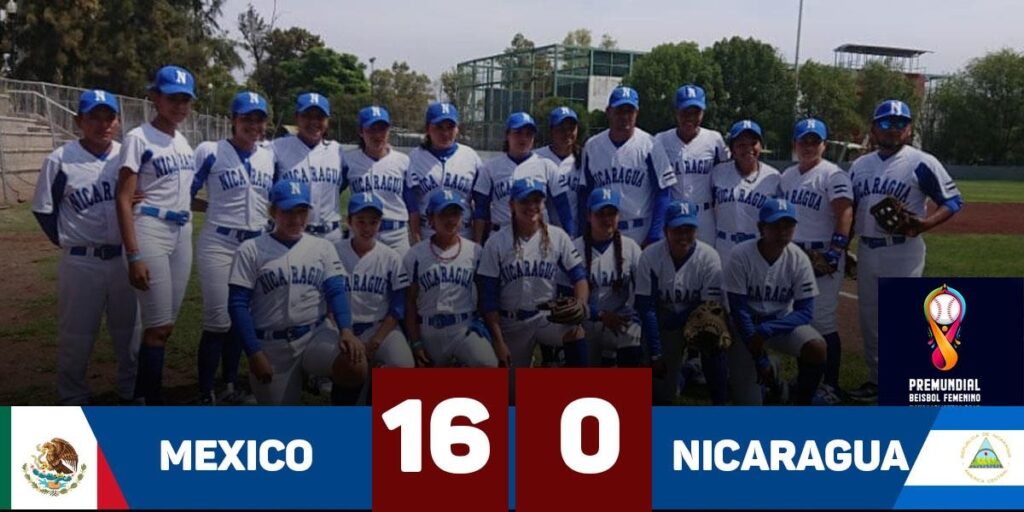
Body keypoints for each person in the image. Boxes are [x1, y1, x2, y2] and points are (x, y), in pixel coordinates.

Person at [847, 99, 963, 403]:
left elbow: (952, 201)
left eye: (901, 123)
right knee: (869, 319)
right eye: (886, 122)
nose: (893, 129)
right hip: (868, 250)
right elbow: (851, 209)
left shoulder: (921, 161)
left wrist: (923, 224)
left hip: (904, 250)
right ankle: (877, 381)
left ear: (909, 129)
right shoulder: (859, 165)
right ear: (873, 128)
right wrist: (842, 248)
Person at [32, 89, 140, 405]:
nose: (102, 124)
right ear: (80, 120)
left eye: (109, 117)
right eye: (94, 117)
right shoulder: (60, 159)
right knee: (76, 336)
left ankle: (130, 392)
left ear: (118, 122)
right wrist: (67, 240)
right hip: (81, 261)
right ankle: (72, 398)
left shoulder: (127, 157)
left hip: (123, 258)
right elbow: (43, 210)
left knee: (130, 334)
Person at [227, 180, 367, 405]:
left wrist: (346, 330)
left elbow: (335, 291)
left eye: (302, 212)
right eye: (287, 212)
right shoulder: (251, 249)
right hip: (272, 345)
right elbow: (237, 304)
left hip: (313, 335)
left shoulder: (322, 247)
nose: (296, 219)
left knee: (354, 364)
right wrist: (253, 352)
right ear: (273, 212)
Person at [115, 65, 197, 405]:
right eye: (172, 97)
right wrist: (133, 255)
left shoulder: (182, 140)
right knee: (158, 327)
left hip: (182, 231)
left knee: (165, 325)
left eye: (185, 99)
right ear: (155, 98)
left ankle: (141, 396)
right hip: (149, 228)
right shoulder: (138, 137)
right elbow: (122, 197)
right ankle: (149, 401)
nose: (179, 105)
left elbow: (183, 194)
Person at [189, 91, 273, 405]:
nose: (253, 125)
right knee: (217, 320)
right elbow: (185, 193)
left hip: (255, 244)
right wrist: (211, 211)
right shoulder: (211, 150)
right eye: (246, 118)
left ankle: (229, 384)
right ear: (233, 121)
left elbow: (274, 199)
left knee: (243, 318)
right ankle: (205, 391)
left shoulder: (269, 155)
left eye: (259, 119)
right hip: (219, 242)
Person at [478, 178, 590, 371]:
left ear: (543, 203)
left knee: (575, 331)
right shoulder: (496, 242)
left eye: (536, 201)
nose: (531, 206)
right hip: (511, 322)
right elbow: (488, 298)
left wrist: (581, 303)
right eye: (524, 201)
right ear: (512, 205)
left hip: (545, 318)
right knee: (510, 393)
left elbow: (579, 276)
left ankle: (578, 394)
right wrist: (498, 341)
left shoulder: (558, 236)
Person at [780, 118, 853, 404]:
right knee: (802, 320)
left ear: (824, 145)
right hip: (795, 254)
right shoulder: (787, 176)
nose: (809, 146)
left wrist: (835, 251)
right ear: (795, 145)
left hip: (822, 253)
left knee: (822, 321)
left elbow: (845, 213)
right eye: (804, 141)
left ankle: (831, 385)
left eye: (814, 141)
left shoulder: (833, 175)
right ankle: (807, 380)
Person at [725, 198, 826, 406]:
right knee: (748, 405)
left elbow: (805, 312)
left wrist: (767, 330)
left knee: (816, 347)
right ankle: (772, 372)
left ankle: (800, 401)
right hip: (745, 328)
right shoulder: (740, 254)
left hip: (780, 325)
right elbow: (738, 310)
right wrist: (759, 358)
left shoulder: (798, 258)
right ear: (761, 228)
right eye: (775, 225)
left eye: (788, 225)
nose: (782, 231)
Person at [635, 200, 726, 405]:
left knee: (713, 332)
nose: (683, 236)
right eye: (678, 230)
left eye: (689, 229)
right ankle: (684, 372)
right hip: (664, 318)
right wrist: (656, 352)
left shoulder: (709, 256)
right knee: (662, 399)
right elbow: (646, 307)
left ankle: (719, 400)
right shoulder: (651, 255)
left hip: (697, 317)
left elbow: (708, 305)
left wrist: (678, 322)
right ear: (666, 230)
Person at [333, 192, 415, 400]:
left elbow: (397, 307)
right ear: (349, 221)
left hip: (378, 327)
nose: (367, 228)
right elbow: (326, 300)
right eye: (360, 221)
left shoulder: (390, 257)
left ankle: (374, 394)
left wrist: (376, 341)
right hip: (341, 329)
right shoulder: (334, 252)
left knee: (404, 365)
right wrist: (346, 333)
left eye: (373, 222)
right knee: (346, 370)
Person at [403, 190, 498, 368]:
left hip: (463, 328)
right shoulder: (415, 255)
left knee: (488, 364)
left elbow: (485, 297)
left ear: (462, 218)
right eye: (443, 214)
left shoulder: (475, 251)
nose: (450, 220)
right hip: (428, 330)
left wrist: (482, 323)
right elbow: (409, 302)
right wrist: (415, 342)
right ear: (430, 219)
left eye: (455, 213)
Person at [580, 86, 676, 246]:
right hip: (602, 230)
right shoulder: (592, 146)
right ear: (608, 112)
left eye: (629, 111)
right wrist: (586, 230)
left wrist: (654, 234)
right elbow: (585, 193)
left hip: (639, 230)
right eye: (619, 111)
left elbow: (663, 192)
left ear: (637, 113)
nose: (624, 116)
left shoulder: (650, 145)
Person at [473, 112, 574, 241]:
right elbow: (481, 209)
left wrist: (569, 238)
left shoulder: (546, 165)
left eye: (528, 134)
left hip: (538, 236)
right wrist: (477, 244)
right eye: (518, 133)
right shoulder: (490, 167)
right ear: (507, 135)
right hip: (502, 234)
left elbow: (563, 208)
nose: (523, 138)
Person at [575, 188, 643, 368]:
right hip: (586, 321)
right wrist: (600, 315)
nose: (606, 220)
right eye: (600, 214)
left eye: (611, 213)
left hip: (620, 320)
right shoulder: (574, 248)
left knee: (633, 333)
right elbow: (566, 297)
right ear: (589, 216)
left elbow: (644, 292)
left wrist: (635, 316)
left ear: (619, 216)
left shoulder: (631, 248)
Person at [655, 84, 728, 245]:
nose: (690, 117)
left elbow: (724, 176)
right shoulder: (661, 140)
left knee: (707, 262)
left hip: (705, 215)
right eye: (685, 112)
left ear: (703, 113)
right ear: (676, 112)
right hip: (674, 214)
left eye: (695, 112)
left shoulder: (714, 140)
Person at [273, 92, 345, 242]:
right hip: (293, 235)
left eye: (320, 117)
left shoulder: (337, 151)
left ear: (327, 121)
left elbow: (344, 183)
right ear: (296, 118)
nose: (314, 122)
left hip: (331, 236)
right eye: (307, 116)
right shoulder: (277, 148)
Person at [709, 119, 782, 265]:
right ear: (733, 149)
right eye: (741, 144)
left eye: (753, 143)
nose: (748, 148)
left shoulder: (773, 177)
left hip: (757, 246)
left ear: (761, 146)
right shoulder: (718, 172)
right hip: (724, 245)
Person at [342, 106, 413, 255]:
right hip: (361, 234)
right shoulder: (348, 160)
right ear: (361, 131)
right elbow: (331, 192)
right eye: (371, 129)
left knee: (400, 278)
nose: (377, 135)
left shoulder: (403, 161)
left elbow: (412, 203)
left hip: (396, 235)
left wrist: (416, 234)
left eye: (382, 129)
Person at [407, 102, 481, 242]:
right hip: (427, 234)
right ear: (428, 128)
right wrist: (416, 240)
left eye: (450, 127)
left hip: (463, 234)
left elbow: (481, 205)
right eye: (439, 127)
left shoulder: (471, 157)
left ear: (457, 129)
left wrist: (477, 243)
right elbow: (412, 206)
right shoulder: (414, 158)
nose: (445, 133)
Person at [535, 106, 583, 234]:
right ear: (551, 130)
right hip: (544, 232)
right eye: (561, 129)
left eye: (571, 128)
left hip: (576, 232)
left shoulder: (583, 158)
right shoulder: (537, 157)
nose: (567, 133)